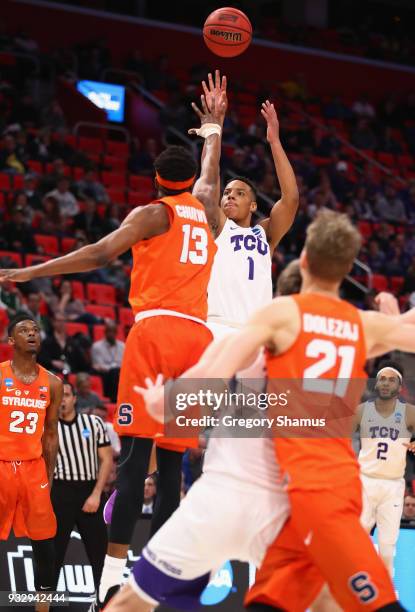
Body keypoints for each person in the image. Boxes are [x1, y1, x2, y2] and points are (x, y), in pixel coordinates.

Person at [107, 210, 415, 612]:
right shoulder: (358, 326)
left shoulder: (271, 321)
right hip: (290, 507)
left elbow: (208, 374)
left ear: (302, 263)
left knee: (131, 604)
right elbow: (405, 331)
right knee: (325, 600)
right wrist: (390, 309)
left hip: (225, 493)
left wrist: (162, 403)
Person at [0, 84, 223, 610]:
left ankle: (111, 579)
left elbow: (97, 254)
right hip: (199, 339)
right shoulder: (209, 209)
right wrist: (214, 128)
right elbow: (211, 175)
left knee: (134, 458)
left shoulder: (153, 214)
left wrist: (30, 270)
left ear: (156, 181)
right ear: (188, 181)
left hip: (157, 332)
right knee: (173, 467)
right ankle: (161, 575)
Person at [0, 314, 63, 612]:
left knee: (44, 538)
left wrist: (48, 476)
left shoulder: (52, 382)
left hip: (33, 467)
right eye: (24, 330)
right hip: (1, 464)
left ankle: (43, 606)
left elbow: (51, 434)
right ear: (11, 341)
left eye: (36, 330)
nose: (32, 334)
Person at [52, 382, 113, 592]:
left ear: (74, 398)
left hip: (90, 491)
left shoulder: (94, 422)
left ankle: (105, 604)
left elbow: (106, 459)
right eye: (59, 396)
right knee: (52, 558)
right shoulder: (48, 427)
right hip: (60, 493)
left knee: (100, 558)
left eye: (66, 395)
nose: (63, 400)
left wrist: (96, 494)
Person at [356, 363, 415, 576]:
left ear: (399, 387)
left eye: (391, 379)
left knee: (388, 547)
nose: (386, 383)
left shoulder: (409, 413)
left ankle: (383, 599)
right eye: (382, 378)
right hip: (364, 481)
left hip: (393, 485)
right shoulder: (362, 410)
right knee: (356, 543)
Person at [91, 320, 125, 402]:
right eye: (109, 331)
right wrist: (113, 367)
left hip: (118, 373)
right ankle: (113, 399)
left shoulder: (123, 346)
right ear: (105, 332)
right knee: (114, 372)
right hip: (105, 375)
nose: (111, 334)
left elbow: (124, 363)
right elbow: (98, 365)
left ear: (116, 333)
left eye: (113, 331)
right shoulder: (97, 346)